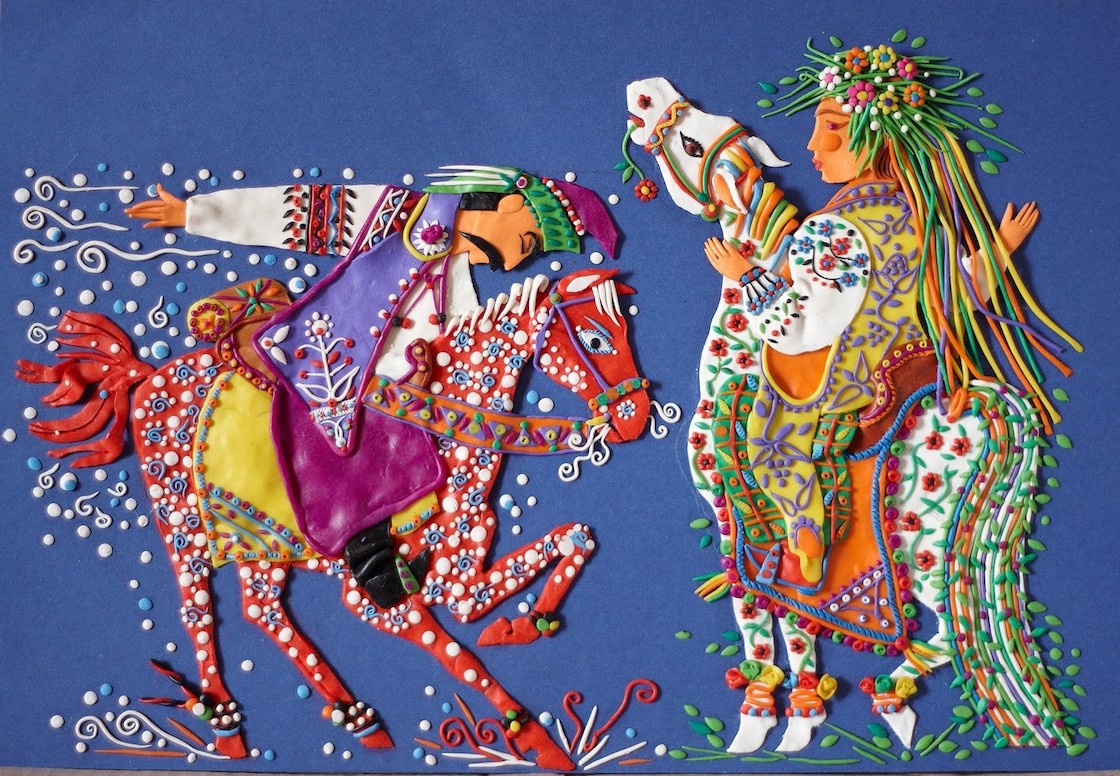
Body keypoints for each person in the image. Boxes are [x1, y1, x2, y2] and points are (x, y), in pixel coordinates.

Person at [127, 166, 619, 605]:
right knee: (334, 452)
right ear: (510, 205)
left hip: (393, 394)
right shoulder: (396, 214)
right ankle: (368, 554)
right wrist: (197, 214)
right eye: (526, 243)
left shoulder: (462, 289)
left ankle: (390, 550)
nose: (512, 266)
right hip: (326, 365)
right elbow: (298, 214)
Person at [692, 42, 1080, 588]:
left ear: (872, 139)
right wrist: (998, 250)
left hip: (847, 378)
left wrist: (746, 275)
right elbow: (956, 296)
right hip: (909, 364)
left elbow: (800, 330)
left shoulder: (831, 231)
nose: (812, 144)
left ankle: (806, 535)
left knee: (766, 439)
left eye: (830, 127)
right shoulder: (921, 218)